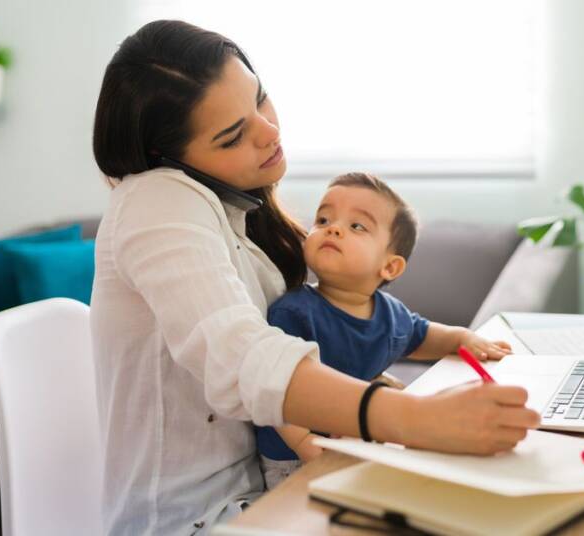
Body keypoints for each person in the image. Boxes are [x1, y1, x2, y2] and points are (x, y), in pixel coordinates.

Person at [90, 19, 540, 535]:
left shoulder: (238, 214)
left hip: (274, 490)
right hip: (195, 520)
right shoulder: (155, 199)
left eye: (260, 100)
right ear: (167, 160)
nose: (269, 132)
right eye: (234, 136)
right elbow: (241, 356)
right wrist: (415, 419)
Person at [256, 172, 514, 488]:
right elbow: (276, 388)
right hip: (293, 455)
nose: (332, 228)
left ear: (390, 267)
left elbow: (423, 336)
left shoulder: (389, 313)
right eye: (323, 219)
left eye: (357, 226)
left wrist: (462, 338)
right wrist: (303, 442)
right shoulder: (294, 311)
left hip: (361, 437)